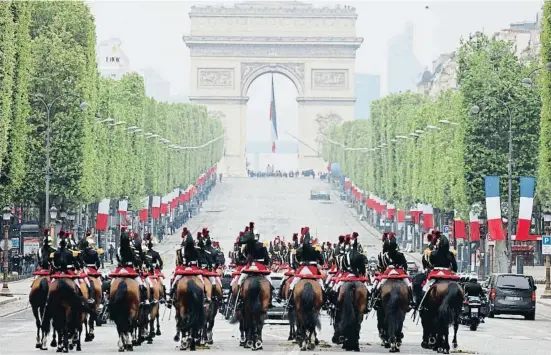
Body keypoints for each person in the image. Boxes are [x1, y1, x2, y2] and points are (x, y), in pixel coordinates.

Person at [371, 235, 415, 310]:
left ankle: (375, 299)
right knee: (409, 285)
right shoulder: (400, 255)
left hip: (388, 272)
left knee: (380, 285)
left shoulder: (385, 256)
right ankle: (411, 300)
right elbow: (405, 265)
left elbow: (383, 266)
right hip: (400, 272)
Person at [52, 237, 95, 304]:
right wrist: (78, 269)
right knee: (78, 285)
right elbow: (75, 263)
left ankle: (47, 300)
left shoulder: (56, 253)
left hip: (59, 272)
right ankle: (81, 299)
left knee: (51, 285)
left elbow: (55, 264)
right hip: (69, 271)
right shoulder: (70, 253)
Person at [116, 229, 149, 306]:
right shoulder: (130, 249)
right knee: (142, 285)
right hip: (130, 269)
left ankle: (107, 299)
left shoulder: (118, 250)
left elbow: (118, 259)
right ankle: (144, 300)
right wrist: (138, 263)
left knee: (111, 283)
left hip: (121, 270)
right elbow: (135, 259)